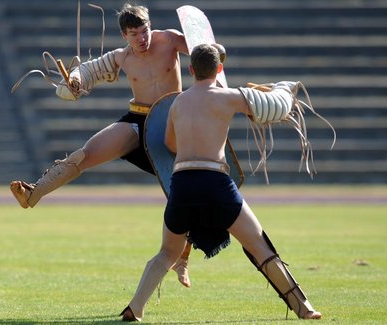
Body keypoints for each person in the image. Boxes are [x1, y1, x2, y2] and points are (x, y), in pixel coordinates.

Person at [120, 44, 322, 321]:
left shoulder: (177, 102)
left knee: (167, 253)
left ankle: (135, 307)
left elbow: (168, 143)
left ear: (191, 70)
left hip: (181, 183)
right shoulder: (229, 97)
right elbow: (274, 107)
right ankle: (305, 308)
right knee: (260, 247)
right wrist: (282, 87)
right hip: (215, 182)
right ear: (219, 69)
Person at [9, 3, 192, 288]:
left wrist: (214, 58)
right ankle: (34, 193)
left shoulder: (169, 39)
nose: (142, 38)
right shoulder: (121, 57)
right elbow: (88, 72)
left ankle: (182, 261)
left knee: (183, 193)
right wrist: (75, 81)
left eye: (144, 30)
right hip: (138, 119)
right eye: (134, 34)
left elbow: (205, 52)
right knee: (87, 153)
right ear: (125, 36)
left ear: (150, 26)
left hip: (172, 125)